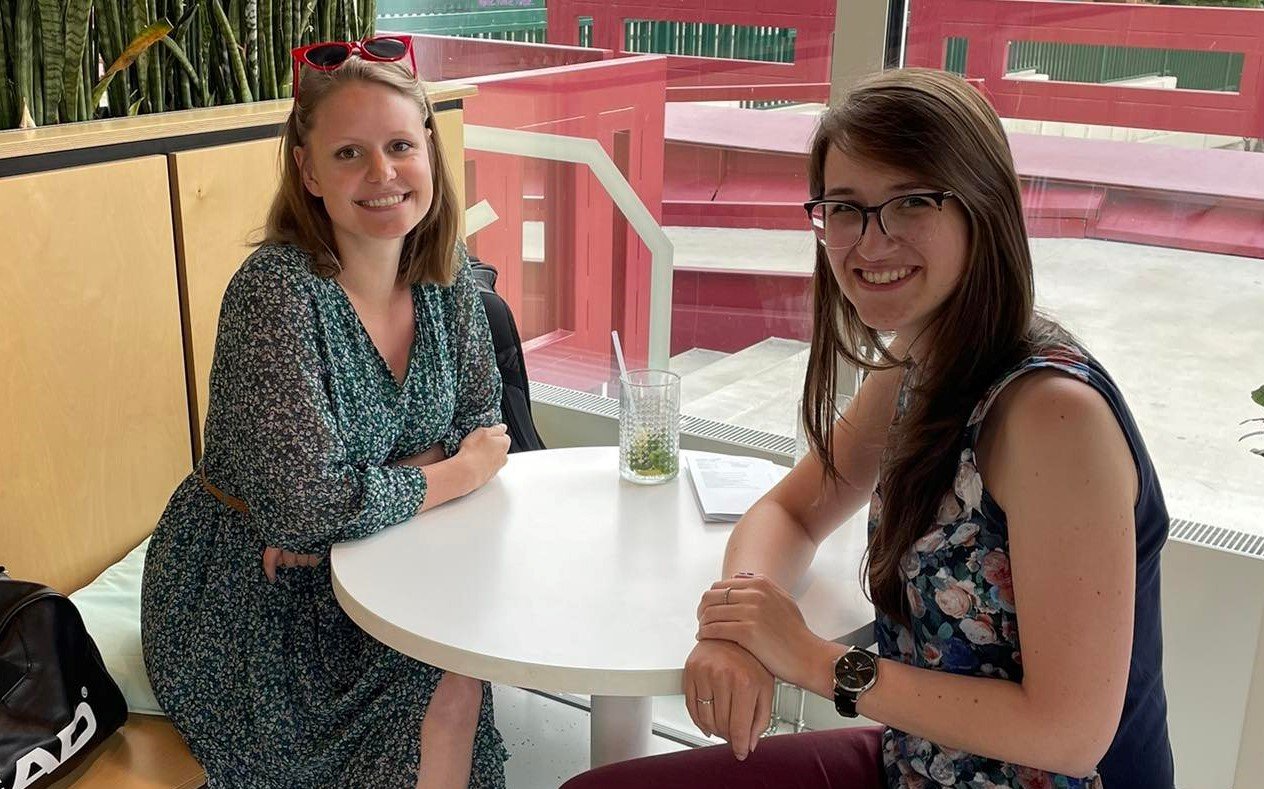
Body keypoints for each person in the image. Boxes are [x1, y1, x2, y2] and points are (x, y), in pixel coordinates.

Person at [562, 68, 1174, 789]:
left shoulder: (1052, 415)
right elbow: (793, 510)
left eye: (911, 202)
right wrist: (741, 620)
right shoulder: (923, 360)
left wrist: (809, 658)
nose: (869, 242)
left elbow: (1068, 733)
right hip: (917, 766)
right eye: (845, 208)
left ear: (984, 207)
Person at [142, 36, 511, 789]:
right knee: (426, 690)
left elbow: (484, 430)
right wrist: (451, 471)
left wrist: (353, 504)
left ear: (428, 150)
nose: (382, 174)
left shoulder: (445, 275)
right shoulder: (276, 291)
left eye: (400, 145)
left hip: (388, 551)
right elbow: (306, 510)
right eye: (349, 154)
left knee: (456, 670)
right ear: (308, 171)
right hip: (253, 592)